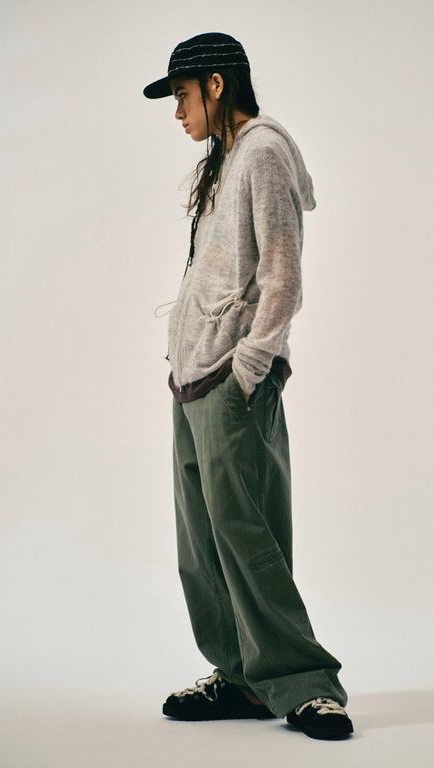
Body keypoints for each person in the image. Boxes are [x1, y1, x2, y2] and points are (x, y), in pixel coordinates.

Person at [144, 32, 353, 741]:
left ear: (217, 85)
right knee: (202, 547)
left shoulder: (262, 152)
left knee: (247, 538)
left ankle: (306, 684)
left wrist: (249, 369)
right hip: (191, 381)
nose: (178, 112)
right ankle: (240, 677)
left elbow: (283, 277)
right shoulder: (225, 162)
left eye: (182, 94)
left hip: (231, 380)